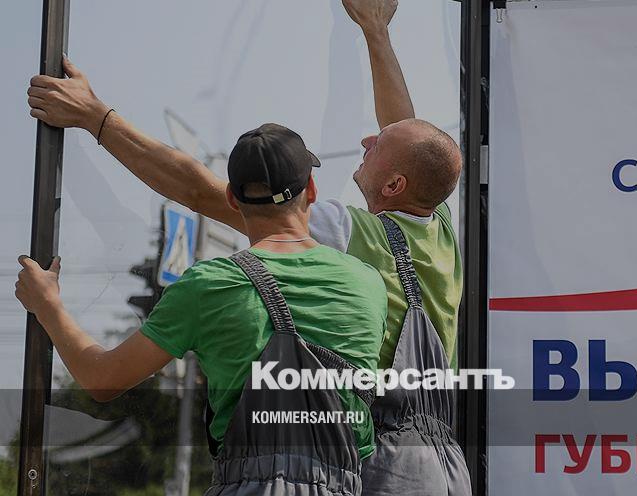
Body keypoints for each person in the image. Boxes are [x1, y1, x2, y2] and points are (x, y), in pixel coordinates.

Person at [28, 0, 472, 495]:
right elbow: (412, 137)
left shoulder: (348, 233)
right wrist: (376, 33)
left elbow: (198, 190)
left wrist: (96, 117)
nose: (366, 138)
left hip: (383, 466)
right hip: (445, 465)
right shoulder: (438, 229)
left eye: (377, 147)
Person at [15, 124, 388, 495]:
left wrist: (48, 305)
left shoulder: (208, 285)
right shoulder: (368, 284)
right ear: (312, 190)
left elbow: (102, 379)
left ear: (231, 199)